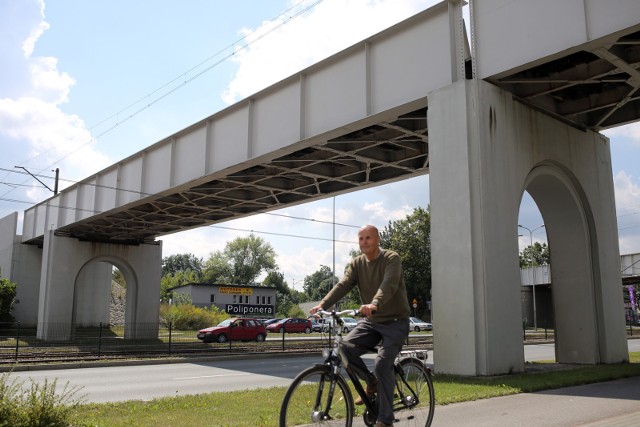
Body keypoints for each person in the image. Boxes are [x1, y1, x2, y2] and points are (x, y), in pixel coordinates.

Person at [310, 224, 410, 427]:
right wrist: (323, 304)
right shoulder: (357, 264)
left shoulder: (392, 258)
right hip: (372, 322)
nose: (364, 242)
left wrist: (375, 303)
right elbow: (343, 284)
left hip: (396, 322)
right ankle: (371, 382)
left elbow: (388, 284)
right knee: (345, 349)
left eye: (368, 238)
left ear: (378, 239)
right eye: (361, 239)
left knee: (382, 363)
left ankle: (385, 419)